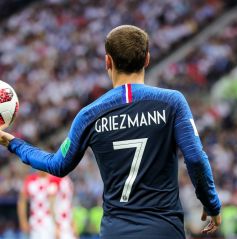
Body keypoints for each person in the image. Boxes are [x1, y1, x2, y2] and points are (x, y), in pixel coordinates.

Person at [0, 25, 221, 239]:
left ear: (108, 61)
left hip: (116, 231)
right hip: (164, 229)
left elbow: (56, 165)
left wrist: (13, 143)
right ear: (147, 59)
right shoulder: (171, 102)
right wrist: (210, 202)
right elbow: (195, 159)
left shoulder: (90, 114)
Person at [18, 171, 75, 239]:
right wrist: (23, 221)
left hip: (50, 221)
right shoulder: (30, 180)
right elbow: (22, 201)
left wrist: (58, 225)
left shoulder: (55, 179)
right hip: (36, 222)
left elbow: (60, 205)